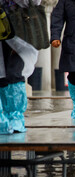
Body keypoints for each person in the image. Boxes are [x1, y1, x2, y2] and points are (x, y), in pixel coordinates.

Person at [0, 1, 39, 134]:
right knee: (3, 78)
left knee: (13, 74)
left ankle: (15, 119)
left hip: (18, 32)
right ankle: (3, 121)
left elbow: (34, 2)